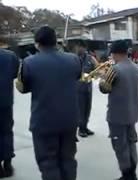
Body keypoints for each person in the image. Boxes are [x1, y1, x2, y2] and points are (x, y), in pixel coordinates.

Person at [16, 26, 81, 180]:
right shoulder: (73, 59)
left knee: (48, 163)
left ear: (37, 43)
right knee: (68, 160)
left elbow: (23, 88)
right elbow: (77, 77)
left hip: (44, 122)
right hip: (69, 120)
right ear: (55, 41)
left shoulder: (28, 62)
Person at [99, 40, 138, 180]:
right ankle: (133, 172)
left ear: (115, 53)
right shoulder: (135, 67)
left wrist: (102, 76)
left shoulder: (115, 69)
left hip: (117, 115)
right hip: (132, 113)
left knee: (120, 145)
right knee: (131, 142)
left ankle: (127, 175)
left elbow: (104, 88)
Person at [0, 49, 19, 178]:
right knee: (7, 131)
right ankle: (8, 163)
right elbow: (15, 74)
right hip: (5, 100)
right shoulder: (10, 56)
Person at [75, 40, 99, 138]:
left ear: (84, 48)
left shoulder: (90, 58)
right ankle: (81, 129)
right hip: (77, 89)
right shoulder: (74, 59)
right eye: (78, 47)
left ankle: (85, 126)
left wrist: (93, 75)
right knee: (80, 109)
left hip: (88, 88)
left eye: (81, 47)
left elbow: (97, 71)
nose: (79, 49)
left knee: (87, 109)